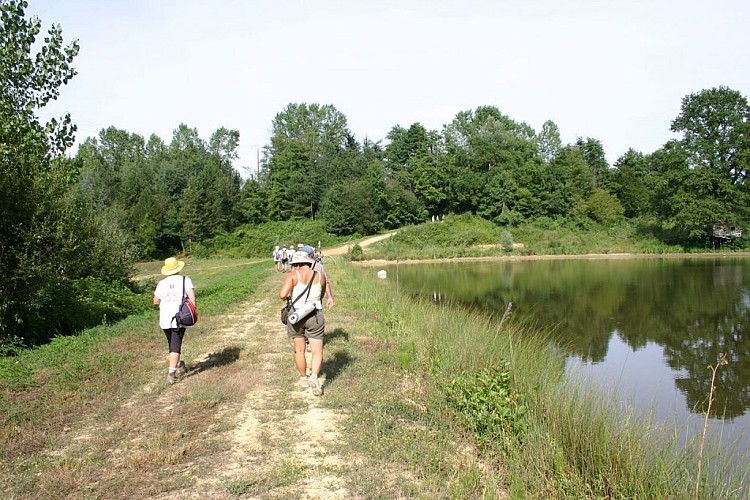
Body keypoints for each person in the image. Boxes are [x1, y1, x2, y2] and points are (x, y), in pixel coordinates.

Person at [279, 250, 327, 396]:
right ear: (308, 262)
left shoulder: (293, 275)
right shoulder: (320, 275)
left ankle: (303, 378)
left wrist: (289, 295)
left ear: (295, 264)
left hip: (296, 315)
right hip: (315, 314)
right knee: (317, 350)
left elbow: (282, 295)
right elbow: (322, 294)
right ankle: (314, 376)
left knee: (299, 349)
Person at [153, 257, 196, 385]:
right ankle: (171, 374)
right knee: (175, 346)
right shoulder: (185, 280)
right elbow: (192, 298)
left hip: (165, 318)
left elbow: (155, 301)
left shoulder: (161, 283)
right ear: (178, 268)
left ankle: (178, 363)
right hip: (179, 318)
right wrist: (192, 314)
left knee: (172, 343)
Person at [303, 244, 334, 309]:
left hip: (301, 296)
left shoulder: (297, 266)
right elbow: (326, 282)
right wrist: (329, 297)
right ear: (312, 254)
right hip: (315, 296)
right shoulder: (318, 266)